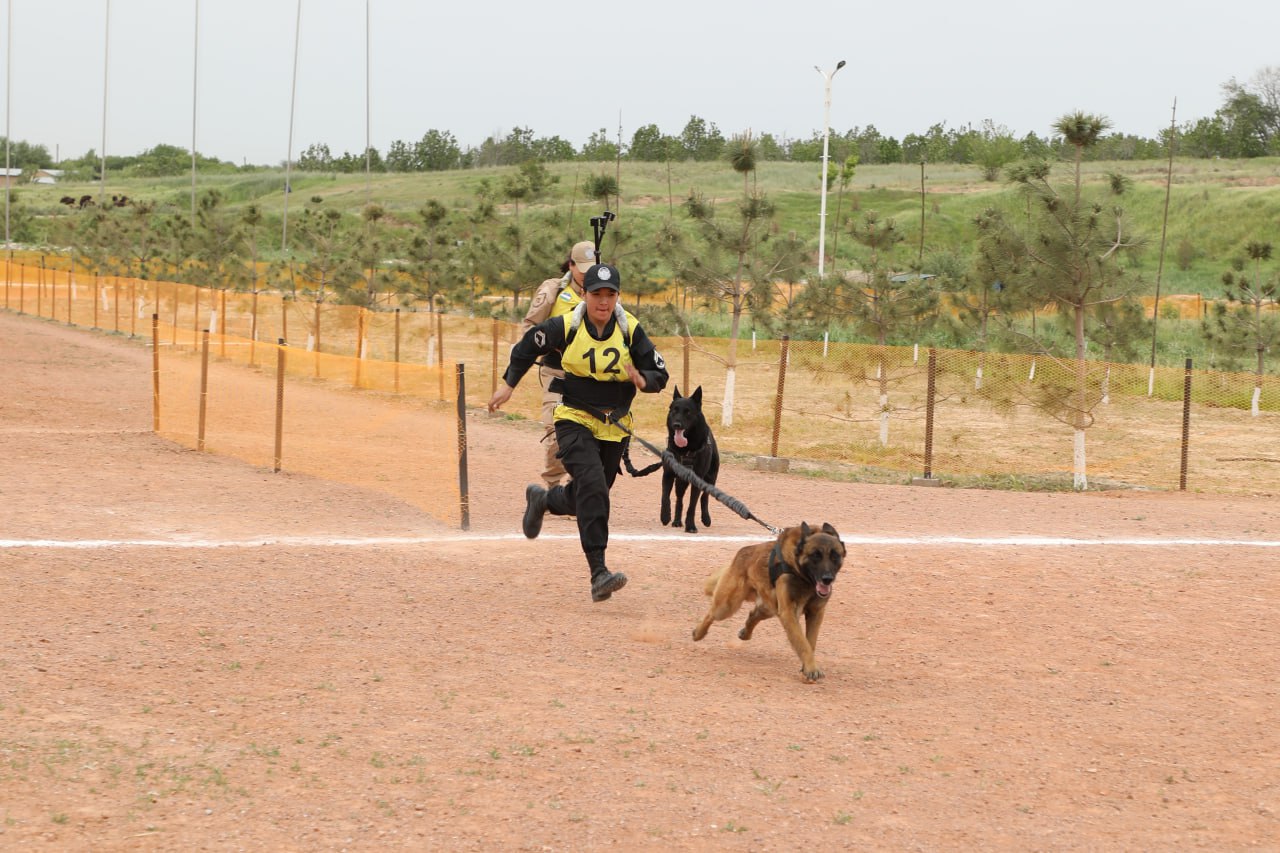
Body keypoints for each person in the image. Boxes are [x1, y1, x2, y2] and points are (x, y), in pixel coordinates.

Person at [488, 263, 669, 602]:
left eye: (610, 294)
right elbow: (528, 346)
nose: (603, 302)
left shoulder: (630, 329)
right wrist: (508, 385)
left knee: (588, 494)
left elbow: (659, 372)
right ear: (584, 295)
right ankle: (599, 572)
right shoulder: (566, 324)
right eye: (596, 294)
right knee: (594, 486)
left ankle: (543, 500)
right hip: (572, 416)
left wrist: (645, 382)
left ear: (617, 296)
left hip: (614, 427)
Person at [520, 241, 594, 488]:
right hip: (556, 372)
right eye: (581, 268)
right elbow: (530, 329)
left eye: (591, 268)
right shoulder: (554, 290)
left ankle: (578, 492)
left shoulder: (604, 291)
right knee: (556, 434)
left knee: (586, 436)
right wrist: (552, 342)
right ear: (571, 265)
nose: (586, 274)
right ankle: (553, 487)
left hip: (590, 376)